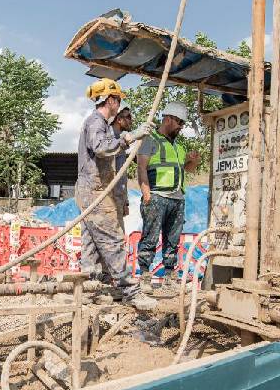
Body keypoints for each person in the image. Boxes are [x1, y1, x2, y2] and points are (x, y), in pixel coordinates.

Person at [76, 79, 151, 307]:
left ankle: (90, 288)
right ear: (110, 100)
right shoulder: (95, 122)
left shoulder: (102, 124)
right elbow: (100, 148)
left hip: (91, 191)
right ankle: (130, 291)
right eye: (117, 100)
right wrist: (129, 137)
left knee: (91, 243)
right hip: (96, 192)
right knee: (112, 240)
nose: (119, 105)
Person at [136, 103, 200, 290]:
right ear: (168, 119)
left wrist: (193, 161)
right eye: (179, 122)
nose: (181, 126)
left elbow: (186, 169)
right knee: (150, 237)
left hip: (177, 199)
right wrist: (146, 194)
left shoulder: (179, 147)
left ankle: (170, 277)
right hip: (156, 196)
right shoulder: (149, 140)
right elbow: (141, 167)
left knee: (173, 240)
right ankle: (145, 276)